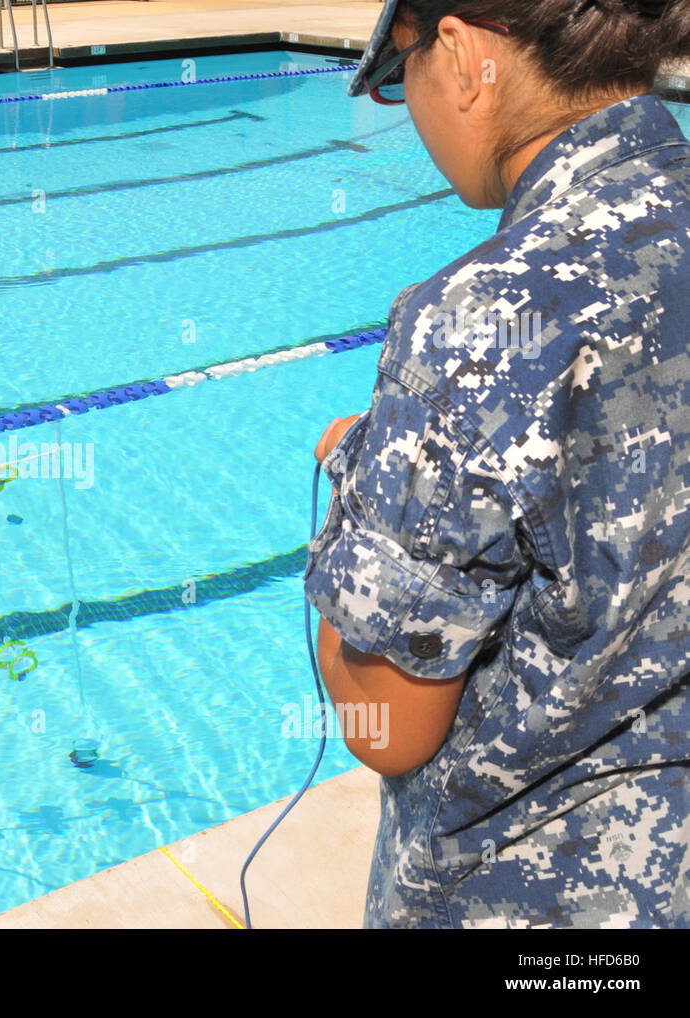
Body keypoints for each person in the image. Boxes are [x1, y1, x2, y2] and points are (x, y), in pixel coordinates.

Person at [304, 0, 690, 928]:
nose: (408, 112)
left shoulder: (479, 321)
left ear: (463, 52)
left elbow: (386, 725)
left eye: (400, 81)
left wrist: (365, 500)